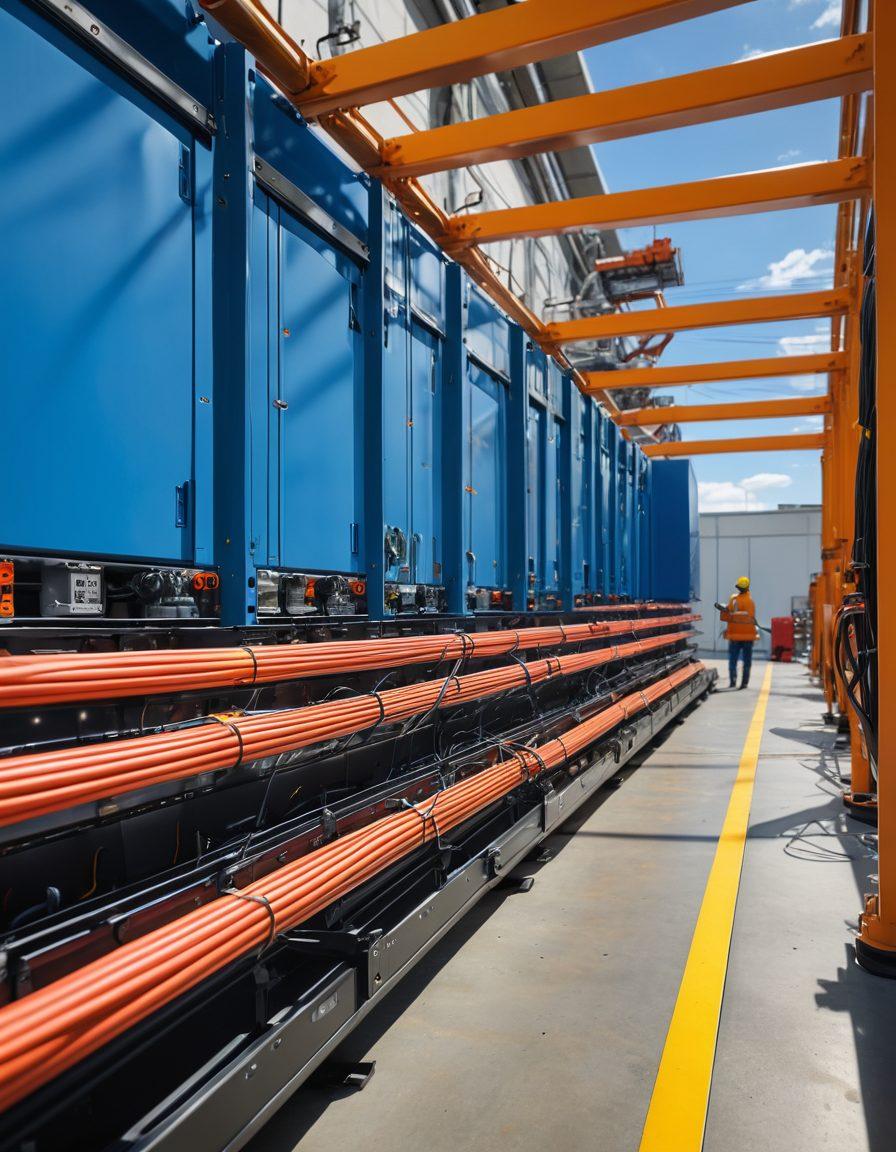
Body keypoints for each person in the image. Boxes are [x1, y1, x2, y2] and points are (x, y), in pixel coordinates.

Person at [717, 576, 758, 689]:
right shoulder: (750, 602)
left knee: (733, 660)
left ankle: (733, 682)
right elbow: (749, 617)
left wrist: (726, 610)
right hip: (748, 636)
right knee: (746, 661)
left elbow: (729, 615)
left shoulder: (733, 599)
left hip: (734, 635)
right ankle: (744, 683)